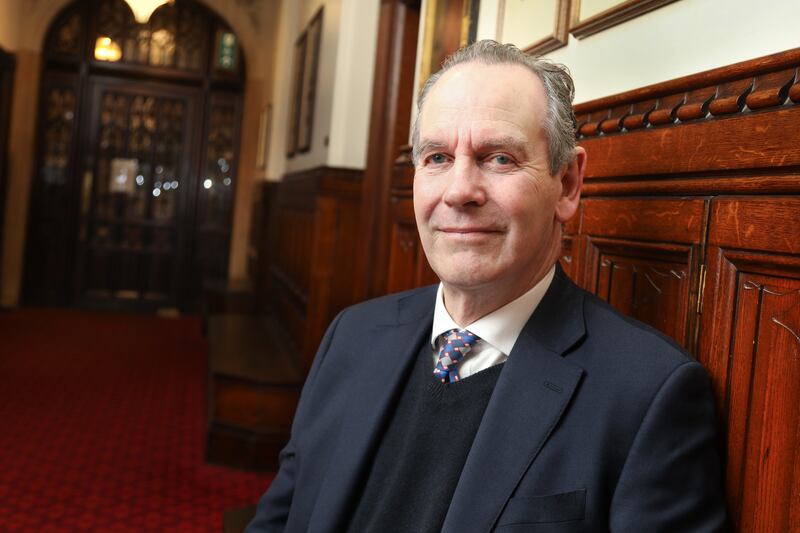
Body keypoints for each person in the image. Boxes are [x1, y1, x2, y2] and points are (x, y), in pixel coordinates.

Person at [246, 40, 727, 532]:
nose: (459, 191)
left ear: (567, 184)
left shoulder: (647, 394)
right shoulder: (351, 335)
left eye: (499, 158)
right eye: (437, 157)